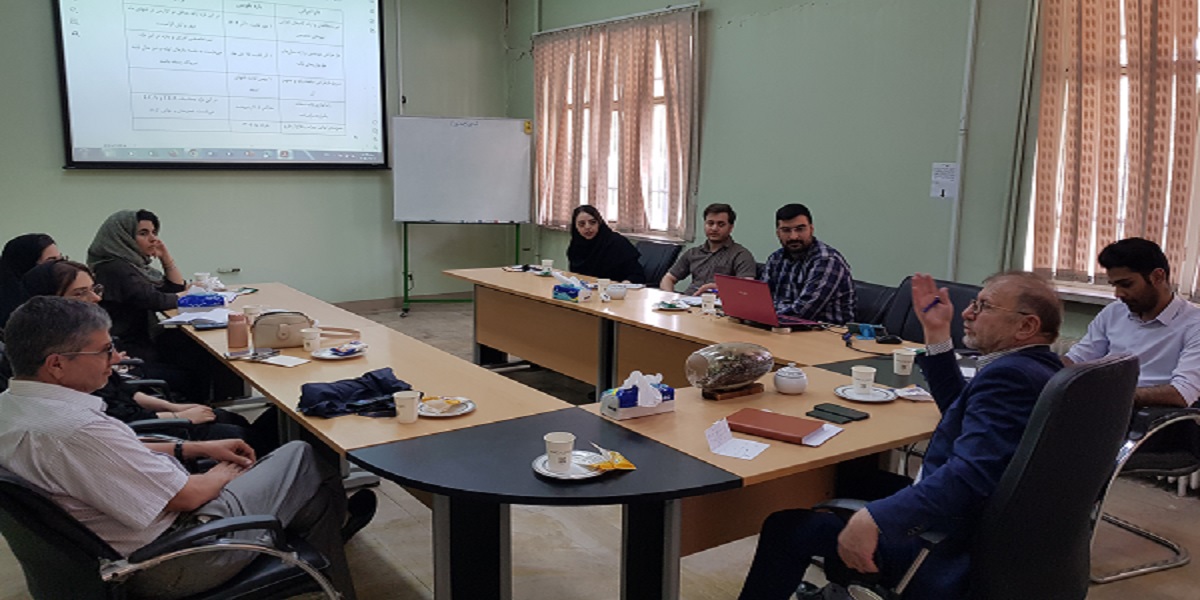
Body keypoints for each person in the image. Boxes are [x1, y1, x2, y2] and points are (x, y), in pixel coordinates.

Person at [0, 296, 362, 599]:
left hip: (118, 551)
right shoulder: (74, 431)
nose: (116, 359)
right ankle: (329, 558)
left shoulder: (15, 407)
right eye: (105, 350)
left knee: (309, 497)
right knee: (299, 456)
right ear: (57, 364)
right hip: (176, 557)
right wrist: (225, 473)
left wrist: (189, 450)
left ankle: (320, 540)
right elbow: (188, 496)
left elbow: (115, 453)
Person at [739, 271, 1064, 599]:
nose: (967, 313)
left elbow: (970, 476)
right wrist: (936, 333)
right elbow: (959, 407)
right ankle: (839, 589)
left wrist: (875, 518)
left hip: (944, 536)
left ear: (1026, 326)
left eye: (984, 307)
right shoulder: (1042, 367)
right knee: (851, 475)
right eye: (974, 304)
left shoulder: (1010, 377)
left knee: (786, 527)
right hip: (991, 523)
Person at [20, 259, 277, 456]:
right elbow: (115, 425)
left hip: (143, 420)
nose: (96, 298)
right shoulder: (67, 354)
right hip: (142, 434)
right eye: (80, 293)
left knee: (235, 420)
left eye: (94, 289)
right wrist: (178, 417)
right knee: (241, 434)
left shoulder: (83, 339)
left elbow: (122, 392)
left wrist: (176, 408)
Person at [1062, 237, 1200, 407]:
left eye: (1126, 284)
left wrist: (1110, 395)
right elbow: (1077, 359)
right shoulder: (1114, 312)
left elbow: (1182, 393)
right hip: (1102, 406)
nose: (1118, 294)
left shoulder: (1194, 325)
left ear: (1158, 277)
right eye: (1114, 285)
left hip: (1152, 415)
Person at [87, 209, 187, 360]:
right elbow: (154, 300)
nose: (153, 239)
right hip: (127, 346)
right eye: (143, 233)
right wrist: (186, 297)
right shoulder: (114, 268)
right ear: (123, 236)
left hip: (143, 338)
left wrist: (165, 257)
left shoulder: (135, 266)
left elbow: (174, 289)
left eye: (154, 232)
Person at [760, 203, 855, 324]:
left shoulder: (826, 260)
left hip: (825, 332)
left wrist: (763, 314)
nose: (794, 237)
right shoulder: (776, 258)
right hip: (783, 327)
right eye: (786, 230)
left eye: (800, 229)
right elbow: (761, 299)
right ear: (778, 233)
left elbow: (803, 312)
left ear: (811, 229)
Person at [660, 203, 756, 295]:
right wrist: (671, 298)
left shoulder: (741, 255)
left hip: (718, 304)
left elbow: (746, 288)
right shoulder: (693, 253)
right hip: (689, 300)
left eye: (721, 224)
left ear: (731, 228)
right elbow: (668, 279)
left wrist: (719, 288)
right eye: (710, 223)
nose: (714, 228)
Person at [566, 204, 646, 283]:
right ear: (575, 227)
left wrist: (626, 283)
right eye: (581, 224)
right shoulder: (576, 245)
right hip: (585, 288)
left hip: (616, 288)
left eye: (592, 222)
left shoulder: (617, 243)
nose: (587, 227)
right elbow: (576, 276)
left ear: (599, 223)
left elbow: (637, 276)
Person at [0, 233, 62, 327]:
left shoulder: (60, 292)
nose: (60, 265)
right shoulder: (14, 312)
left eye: (61, 259)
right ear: (27, 264)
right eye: (51, 261)